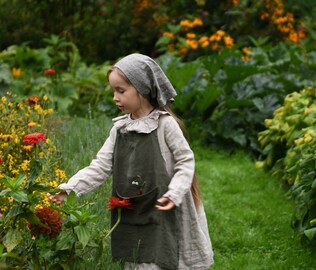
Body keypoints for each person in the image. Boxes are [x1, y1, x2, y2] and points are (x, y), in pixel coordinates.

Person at [48, 53, 214, 270]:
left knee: (169, 255)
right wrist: (70, 188)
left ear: (142, 89)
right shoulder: (120, 129)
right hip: (135, 207)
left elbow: (185, 161)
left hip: (166, 205)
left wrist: (174, 193)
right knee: (140, 256)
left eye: (121, 91)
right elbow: (100, 166)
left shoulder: (165, 125)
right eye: (113, 91)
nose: (115, 98)